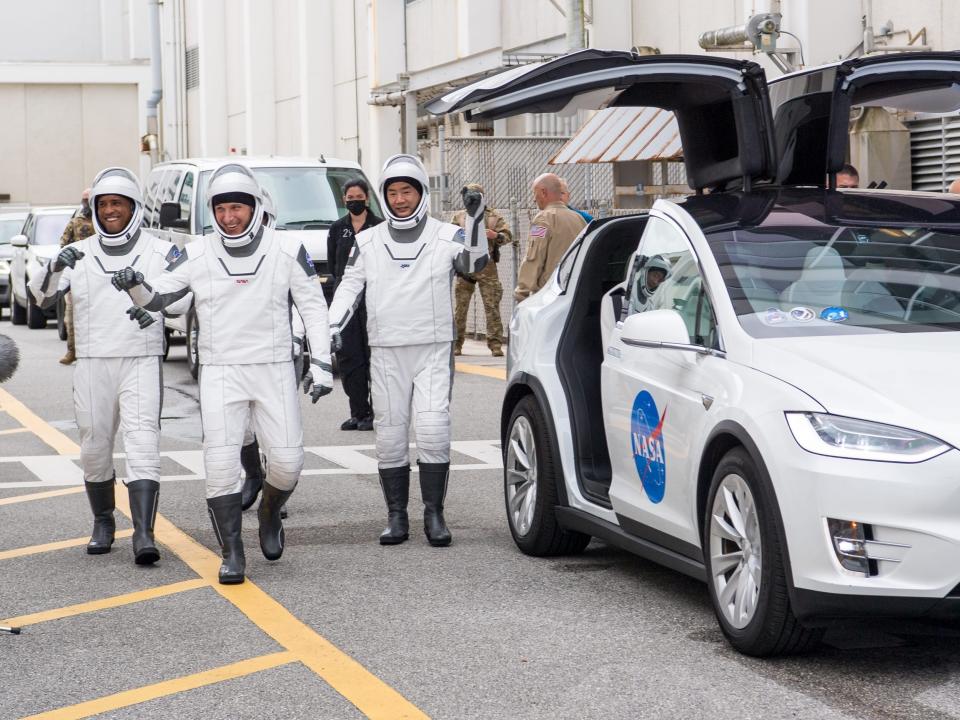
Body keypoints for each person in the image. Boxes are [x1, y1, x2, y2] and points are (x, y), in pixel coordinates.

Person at [113, 163, 334, 585]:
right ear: (212, 211)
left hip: (272, 369)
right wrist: (134, 285)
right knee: (219, 466)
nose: (230, 217)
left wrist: (321, 363)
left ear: (255, 207)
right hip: (219, 371)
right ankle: (232, 553)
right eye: (222, 209)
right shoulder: (196, 253)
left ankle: (269, 513)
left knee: (287, 463)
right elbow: (160, 297)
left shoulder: (286, 250)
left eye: (238, 207)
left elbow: (313, 308)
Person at [328, 154, 488, 547]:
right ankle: (396, 516)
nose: (400, 200)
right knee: (390, 436)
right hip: (385, 349)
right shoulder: (368, 240)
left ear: (422, 193)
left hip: (432, 347)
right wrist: (329, 327)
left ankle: (434, 514)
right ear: (383, 197)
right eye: (393, 192)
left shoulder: (446, 235)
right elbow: (349, 286)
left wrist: (476, 220)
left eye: (407, 191)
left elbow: (474, 264)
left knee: (434, 430)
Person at [29, 167, 186, 566]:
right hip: (94, 362)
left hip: (140, 358)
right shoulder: (80, 252)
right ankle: (103, 520)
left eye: (118, 203)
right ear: (94, 209)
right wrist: (54, 267)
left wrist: (150, 303)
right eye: (104, 204)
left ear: (133, 207)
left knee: (142, 442)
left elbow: (182, 300)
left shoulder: (157, 250)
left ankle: (145, 533)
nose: (111, 210)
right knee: (95, 447)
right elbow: (41, 299)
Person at [326, 179, 381, 431]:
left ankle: (376, 413)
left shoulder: (380, 227)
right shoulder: (338, 229)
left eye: (359, 196)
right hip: (347, 304)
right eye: (350, 197)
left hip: (373, 302)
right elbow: (334, 267)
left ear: (367, 198)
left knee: (374, 358)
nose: (354, 201)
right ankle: (358, 411)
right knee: (349, 359)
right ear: (343, 200)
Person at [451, 182, 513, 357]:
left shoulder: (493, 216)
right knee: (461, 309)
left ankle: (495, 345)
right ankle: (457, 344)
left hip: (487, 267)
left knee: (492, 306)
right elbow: (449, 237)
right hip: (465, 266)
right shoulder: (460, 216)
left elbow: (508, 235)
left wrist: (495, 235)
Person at [514, 173, 586, 303]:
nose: (534, 199)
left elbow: (534, 257)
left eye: (534, 193)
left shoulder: (543, 219)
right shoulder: (578, 219)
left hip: (549, 294)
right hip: (575, 291)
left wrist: (522, 293)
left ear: (543, 192)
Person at [57, 188, 96, 365]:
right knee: (71, 316)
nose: (86, 203)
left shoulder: (103, 222)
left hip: (98, 276)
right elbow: (63, 245)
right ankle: (72, 351)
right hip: (77, 276)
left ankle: (93, 351)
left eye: (89, 199)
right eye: (84, 200)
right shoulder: (75, 223)